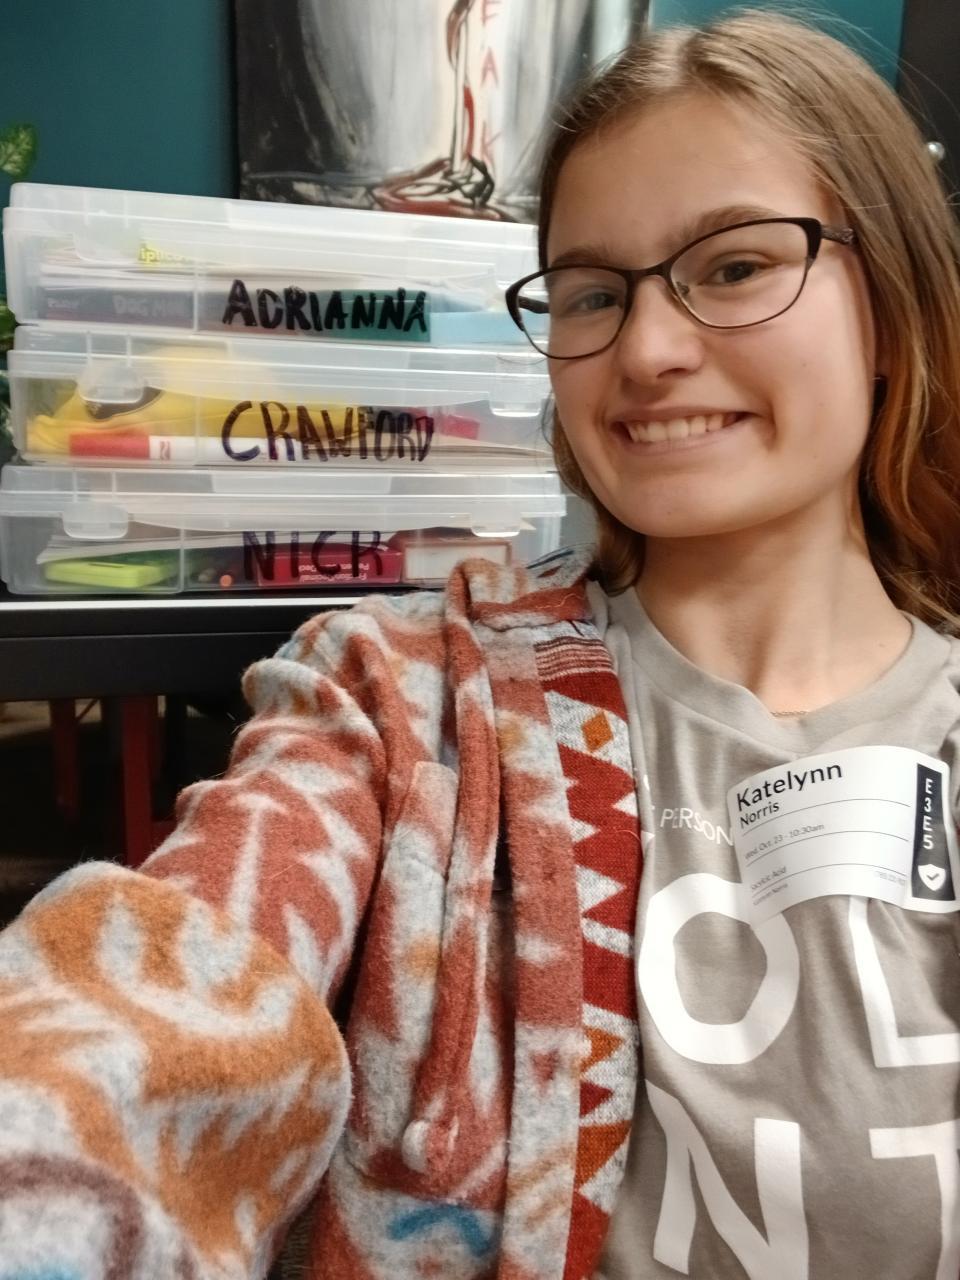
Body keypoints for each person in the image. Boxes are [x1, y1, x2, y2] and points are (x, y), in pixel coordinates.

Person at [2, 8, 959, 1278]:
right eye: (593, 293)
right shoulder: (395, 698)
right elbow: (157, 1004)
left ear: (892, 301)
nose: (647, 349)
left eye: (733, 266)